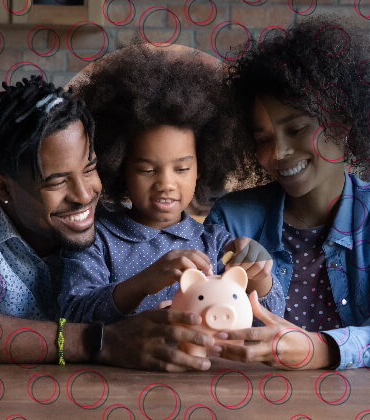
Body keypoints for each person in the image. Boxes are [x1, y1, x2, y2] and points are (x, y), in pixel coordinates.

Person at [0, 76, 218, 372]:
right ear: (3, 187)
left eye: (90, 169)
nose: (84, 195)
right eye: (57, 181)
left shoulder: (111, 219)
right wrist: (97, 342)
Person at [204, 17, 370, 370]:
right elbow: (204, 323)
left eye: (296, 129)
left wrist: (326, 348)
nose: (278, 153)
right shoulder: (232, 220)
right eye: (263, 139)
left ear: (341, 124)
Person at [59, 45, 285, 325]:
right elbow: (72, 315)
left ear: (202, 167)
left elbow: (271, 322)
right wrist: (144, 282)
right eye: (147, 169)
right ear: (118, 166)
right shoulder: (96, 238)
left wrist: (260, 280)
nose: (166, 183)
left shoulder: (216, 245)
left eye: (181, 169)